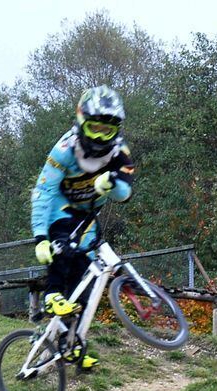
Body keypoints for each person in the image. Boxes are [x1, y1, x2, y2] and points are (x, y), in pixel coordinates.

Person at [30, 86, 137, 370]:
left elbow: (125, 194)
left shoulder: (120, 152)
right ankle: (52, 294)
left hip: (88, 214)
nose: (101, 136)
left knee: (84, 285)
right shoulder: (64, 150)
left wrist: (111, 185)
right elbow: (43, 192)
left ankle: (72, 346)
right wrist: (41, 237)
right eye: (95, 128)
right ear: (81, 122)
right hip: (60, 207)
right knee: (63, 247)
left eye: (108, 130)